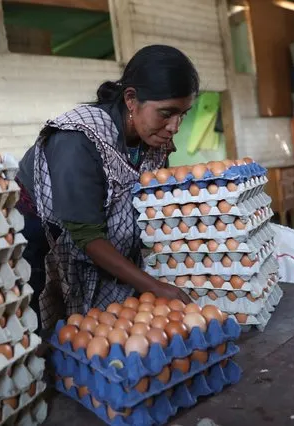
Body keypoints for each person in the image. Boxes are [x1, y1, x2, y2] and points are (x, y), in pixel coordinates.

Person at [16, 45, 199, 330]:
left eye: (182, 115)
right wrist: (155, 287)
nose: (175, 126)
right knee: (47, 329)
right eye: (166, 113)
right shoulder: (79, 138)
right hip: (39, 241)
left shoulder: (152, 138)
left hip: (98, 242)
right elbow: (86, 235)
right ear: (131, 99)